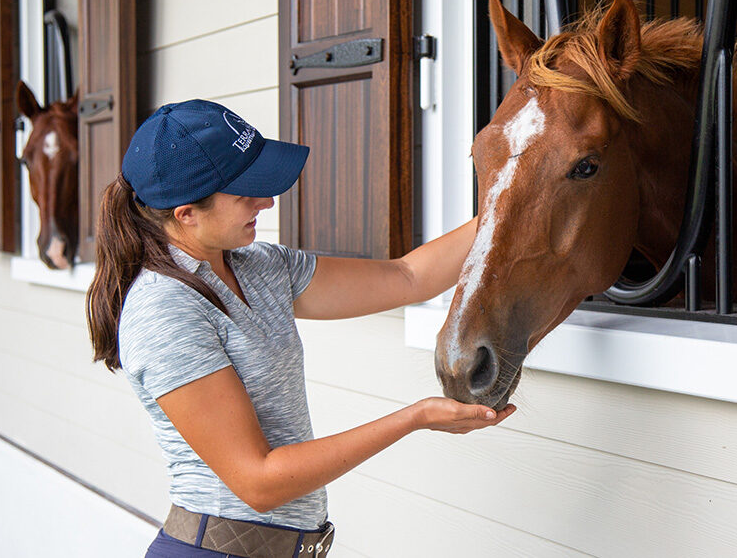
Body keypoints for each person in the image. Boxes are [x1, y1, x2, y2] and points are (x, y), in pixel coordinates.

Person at [86, 99, 514, 557]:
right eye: (245, 193)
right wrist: (415, 418)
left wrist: (516, 202)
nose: (267, 202)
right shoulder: (163, 309)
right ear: (186, 213)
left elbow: (408, 277)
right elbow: (259, 481)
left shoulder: (260, 267)